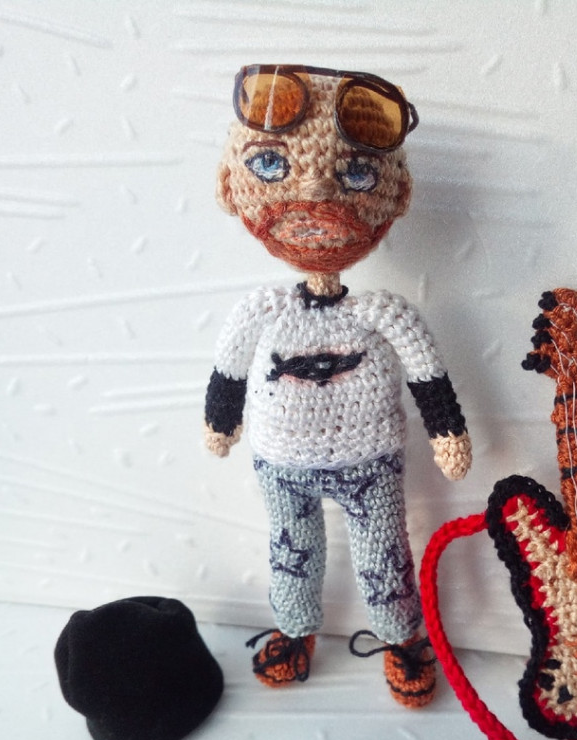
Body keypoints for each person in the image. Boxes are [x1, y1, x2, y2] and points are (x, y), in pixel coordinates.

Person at [204, 65, 471, 707]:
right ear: (232, 186)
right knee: (290, 550)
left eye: (354, 176)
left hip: (369, 461)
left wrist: (448, 432)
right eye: (270, 165)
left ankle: (400, 635)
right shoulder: (262, 310)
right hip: (281, 461)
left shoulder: (381, 313)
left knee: (383, 554)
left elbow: (427, 372)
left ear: (395, 195)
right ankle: (295, 629)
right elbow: (229, 367)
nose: (316, 191)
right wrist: (220, 420)